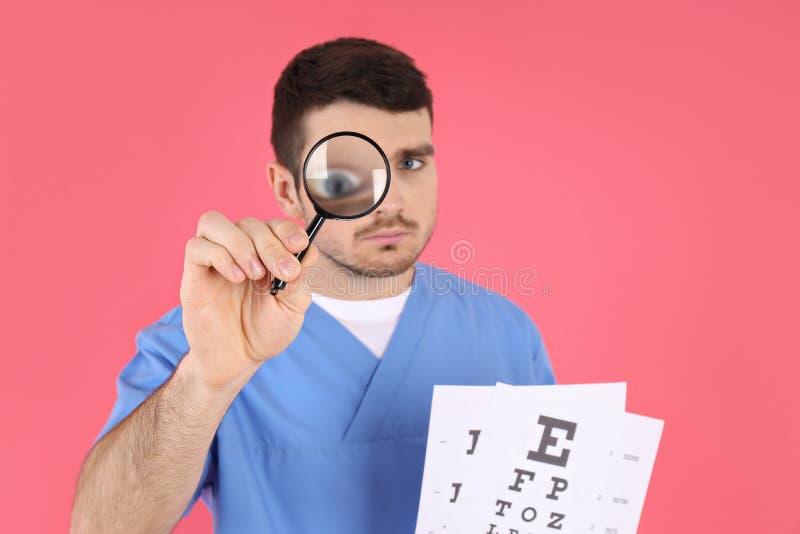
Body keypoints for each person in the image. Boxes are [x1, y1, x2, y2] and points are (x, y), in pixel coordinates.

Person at [70, 36, 557, 533]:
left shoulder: (508, 334)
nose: (391, 202)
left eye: (411, 163)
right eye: (346, 176)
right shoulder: (202, 338)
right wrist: (207, 380)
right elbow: (99, 528)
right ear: (288, 189)